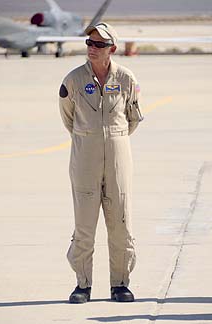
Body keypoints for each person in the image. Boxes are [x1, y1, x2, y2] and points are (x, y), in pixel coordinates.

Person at [59, 22, 143, 304]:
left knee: (120, 220)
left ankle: (120, 283)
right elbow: (68, 117)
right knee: (85, 223)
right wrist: (91, 138)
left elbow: (132, 118)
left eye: (98, 45)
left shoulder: (126, 78)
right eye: (89, 44)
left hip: (119, 154)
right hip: (85, 155)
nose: (92, 49)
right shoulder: (73, 79)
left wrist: (111, 139)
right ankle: (82, 284)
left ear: (112, 49)